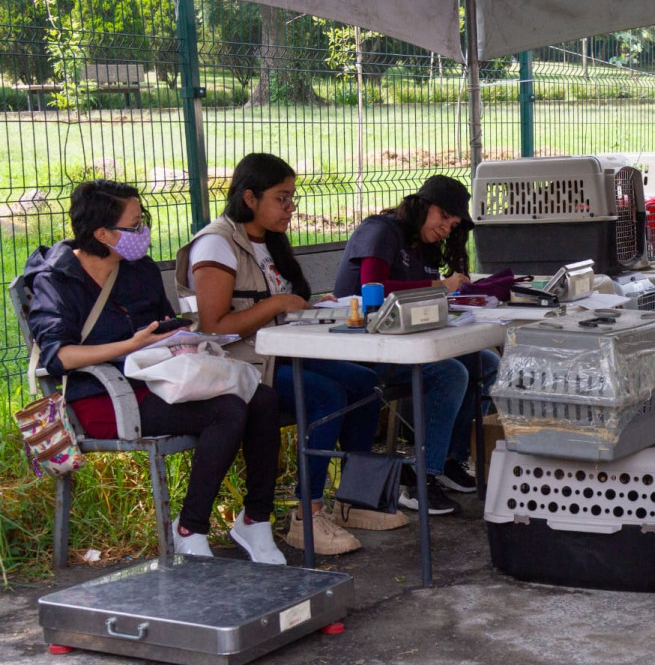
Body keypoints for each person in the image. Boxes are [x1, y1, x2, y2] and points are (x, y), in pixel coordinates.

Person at [23, 180, 286, 564]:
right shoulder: (56, 280)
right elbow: (60, 356)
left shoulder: (138, 268)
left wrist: (179, 333)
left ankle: (256, 519)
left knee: (262, 397)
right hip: (102, 397)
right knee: (227, 410)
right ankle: (190, 528)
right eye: (135, 225)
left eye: (143, 219)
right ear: (102, 234)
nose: (144, 232)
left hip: (158, 378)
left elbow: (160, 323)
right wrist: (131, 345)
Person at [177, 153, 382, 555]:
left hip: (283, 350)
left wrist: (311, 306)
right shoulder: (217, 243)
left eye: (293, 198)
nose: (291, 208)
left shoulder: (269, 238)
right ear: (249, 197)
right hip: (241, 363)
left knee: (365, 383)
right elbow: (214, 324)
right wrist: (277, 305)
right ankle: (308, 513)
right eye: (282, 198)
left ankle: (354, 500)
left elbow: (282, 300)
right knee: (326, 396)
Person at [333, 175, 499, 516]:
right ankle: (419, 476)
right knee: (450, 372)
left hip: (407, 342)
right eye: (444, 218)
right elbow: (372, 286)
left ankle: (451, 460)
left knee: (486, 363)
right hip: (365, 347)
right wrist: (439, 285)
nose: (446, 229)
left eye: (453, 226)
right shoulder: (382, 231)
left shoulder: (422, 245)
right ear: (424, 206)